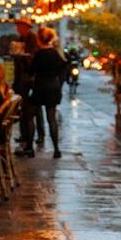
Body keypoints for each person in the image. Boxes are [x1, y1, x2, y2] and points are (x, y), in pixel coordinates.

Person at [30, 26, 68, 159]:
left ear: (39, 40)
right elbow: (63, 70)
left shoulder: (38, 55)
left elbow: (31, 71)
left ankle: (30, 147)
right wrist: (59, 84)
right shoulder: (56, 54)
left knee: (31, 115)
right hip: (53, 87)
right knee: (52, 118)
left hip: (40, 87)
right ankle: (56, 149)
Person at [10, 19, 38, 157]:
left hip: (29, 80)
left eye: (19, 26)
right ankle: (25, 137)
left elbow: (32, 60)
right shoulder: (21, 39)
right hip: (21, 78)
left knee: (29, 113)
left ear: (26, 27)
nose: (17, 28)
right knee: (23, 111)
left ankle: (30, 143)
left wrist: (23, 56)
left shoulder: (32, 39)